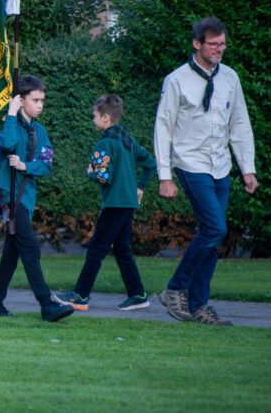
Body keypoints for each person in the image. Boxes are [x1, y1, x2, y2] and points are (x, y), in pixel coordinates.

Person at [155, 17, 258, 326]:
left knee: (211, 237)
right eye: (213, 44)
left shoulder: (230, 78)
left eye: (222, 44)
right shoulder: (177, 80)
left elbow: (239, 123)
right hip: (190, 163)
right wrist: (164, 175)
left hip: (220, 166)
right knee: (215, 228)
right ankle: (175, 289)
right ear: (196, 44)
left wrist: (247, 168)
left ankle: (199, 306)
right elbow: (163, 126)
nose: (219, 49)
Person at [54, 94, 156, 312]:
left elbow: (104, 177)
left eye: (95, 115)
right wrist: (140, 187)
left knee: (96, 249)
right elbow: (150, 164)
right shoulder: (129, 141)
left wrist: (90, 172)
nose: (93, 119)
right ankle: (138, 295)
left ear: (106, 118)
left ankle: (80, 295)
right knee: (122, 250)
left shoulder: (102, 145)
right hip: (128, 204)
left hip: (114, 205)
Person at [0, 75, 74, 323]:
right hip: (9, 199)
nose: (40, 105)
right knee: (30, 248)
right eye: (35, 100)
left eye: (42, 100)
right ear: (21, 100)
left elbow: (46, 164)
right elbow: (8, 143)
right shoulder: (7, 124)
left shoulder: (41, 131)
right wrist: (12, 113)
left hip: (26, 199)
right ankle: (47, 305)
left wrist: (26, 165)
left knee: (12, 253)